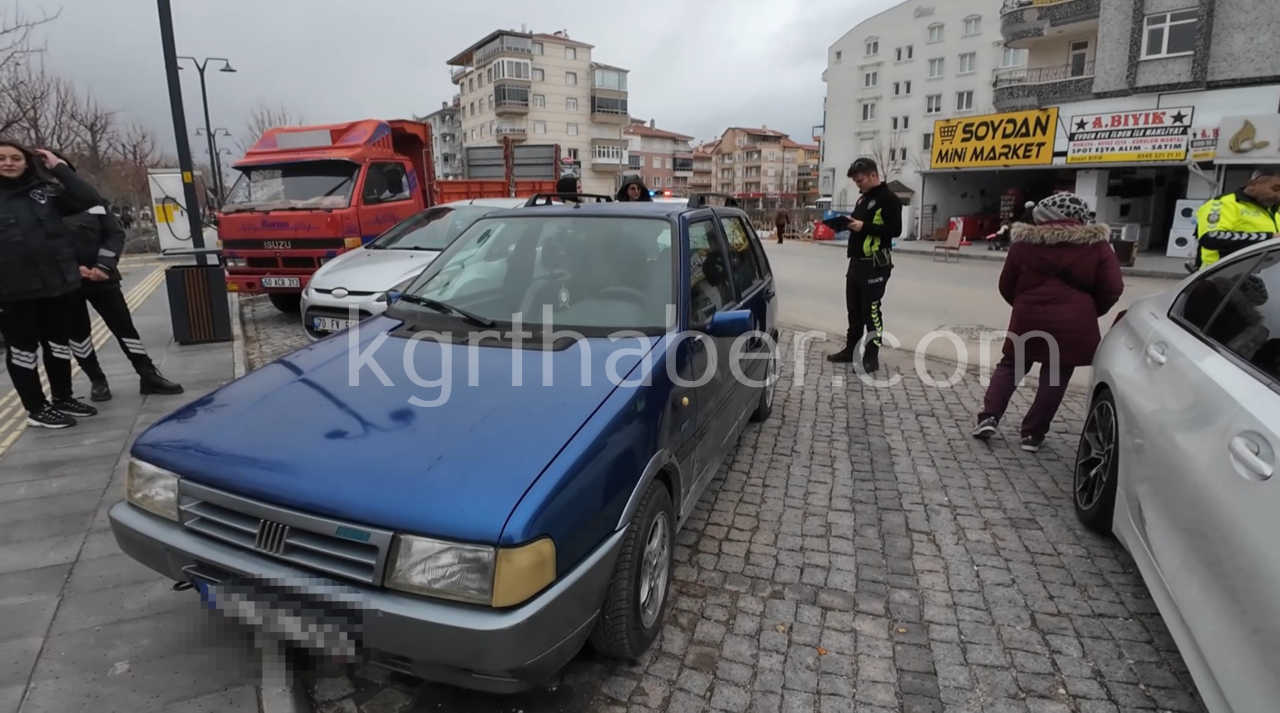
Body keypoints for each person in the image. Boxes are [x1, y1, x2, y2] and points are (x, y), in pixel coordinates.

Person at [972, 192, 1124, 453]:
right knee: (1055, 375)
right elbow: (1112, 288)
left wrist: (1024, 304)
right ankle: (1033, 434)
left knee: (1010, 365)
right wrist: (1088, 311)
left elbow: (1006, 284)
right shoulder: (1097, 246)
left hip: (1028, 316)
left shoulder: (1024, 244)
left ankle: (989, 417)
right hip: (1075, 321)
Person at [57, 157, 183, 401]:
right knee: (78, 333)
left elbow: (114, 233)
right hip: (67, 282)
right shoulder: (44, 205)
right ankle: (97, 379)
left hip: (102, 278)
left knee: (124, 328)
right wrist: (74, 268)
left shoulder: (92, 201)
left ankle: (147, 374)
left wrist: (103, 266)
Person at [0, 141, 105, 428]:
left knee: (58, 345)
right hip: (14, 292)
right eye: (2, 159)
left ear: (27, 162)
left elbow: (90, 200)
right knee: (23, 350)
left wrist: (58, 166)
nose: (8, 163)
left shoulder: (44, 192)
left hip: (58, 285)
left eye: (15, 158)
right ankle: (36, 408)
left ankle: (62, 397)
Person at [826, 158, 902, 372]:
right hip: (856, 263)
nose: (858, 185)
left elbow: (894, 230)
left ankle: (871, 356)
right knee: (854, 311)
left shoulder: (889, 199)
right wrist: (845, 224)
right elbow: (859, 225)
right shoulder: (862, 200)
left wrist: (864, 226)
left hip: (875, 264)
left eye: (860, 180)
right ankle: (850, 350)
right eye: (855, 182)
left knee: (872, 311)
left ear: (872, 175)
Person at [1190, 167, 1280, 272]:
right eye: (1276, 189)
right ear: (1253, 184)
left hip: (1260, 277)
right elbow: (1210, 238)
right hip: (1221, 277)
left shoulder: (1274, 209)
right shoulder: (1222, 203)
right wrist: (1269, 237)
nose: (1279, 195)